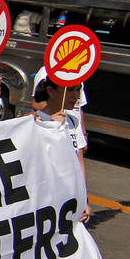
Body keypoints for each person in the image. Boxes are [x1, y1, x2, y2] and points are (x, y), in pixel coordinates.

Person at [33, 77, 92, 224]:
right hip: (45, 201)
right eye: (70, 90)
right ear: (50, 91)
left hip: (70, 199)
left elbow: (79, 161)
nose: (75, 95)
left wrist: (83, 198)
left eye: (78, 90)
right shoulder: (35, 122)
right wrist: (52, 129)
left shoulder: (73, 120)